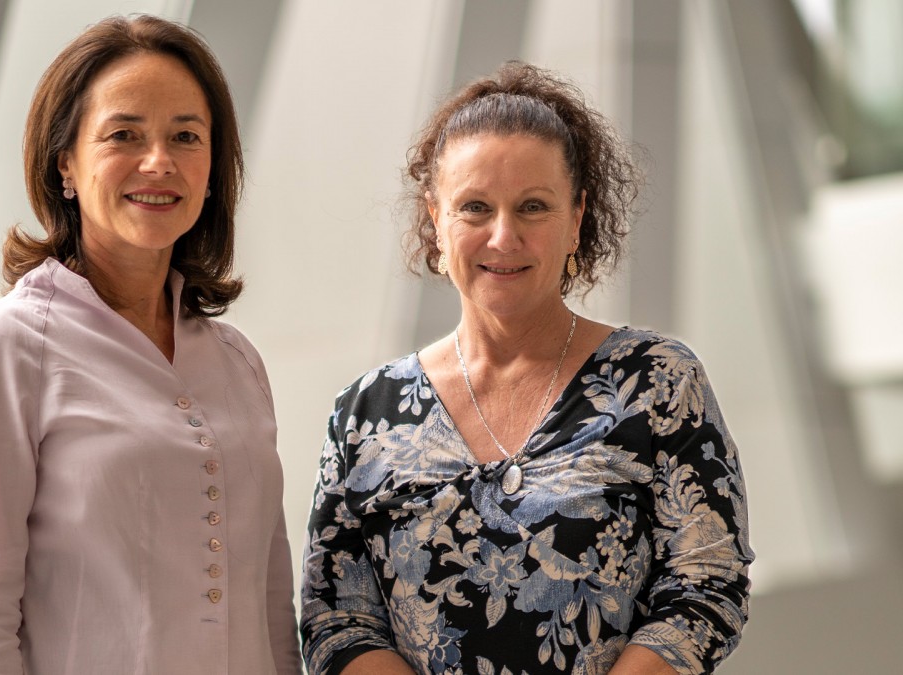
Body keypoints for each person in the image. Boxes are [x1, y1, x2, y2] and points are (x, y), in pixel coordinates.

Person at [299, 62, 753, 675]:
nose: (503, 236)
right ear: (436, 222)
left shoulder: (658, 380)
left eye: (533, 207)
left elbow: (707, 584)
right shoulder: (364, 413)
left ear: (576, 218)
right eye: (475, 207)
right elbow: (336, 619)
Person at [0, 15, 301, 674]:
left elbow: (272, 611)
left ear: (212, 170)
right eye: (124, 134)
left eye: (186, 136)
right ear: (65, 162)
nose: (160, 161)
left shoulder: (237, 361)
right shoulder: (5, 351)